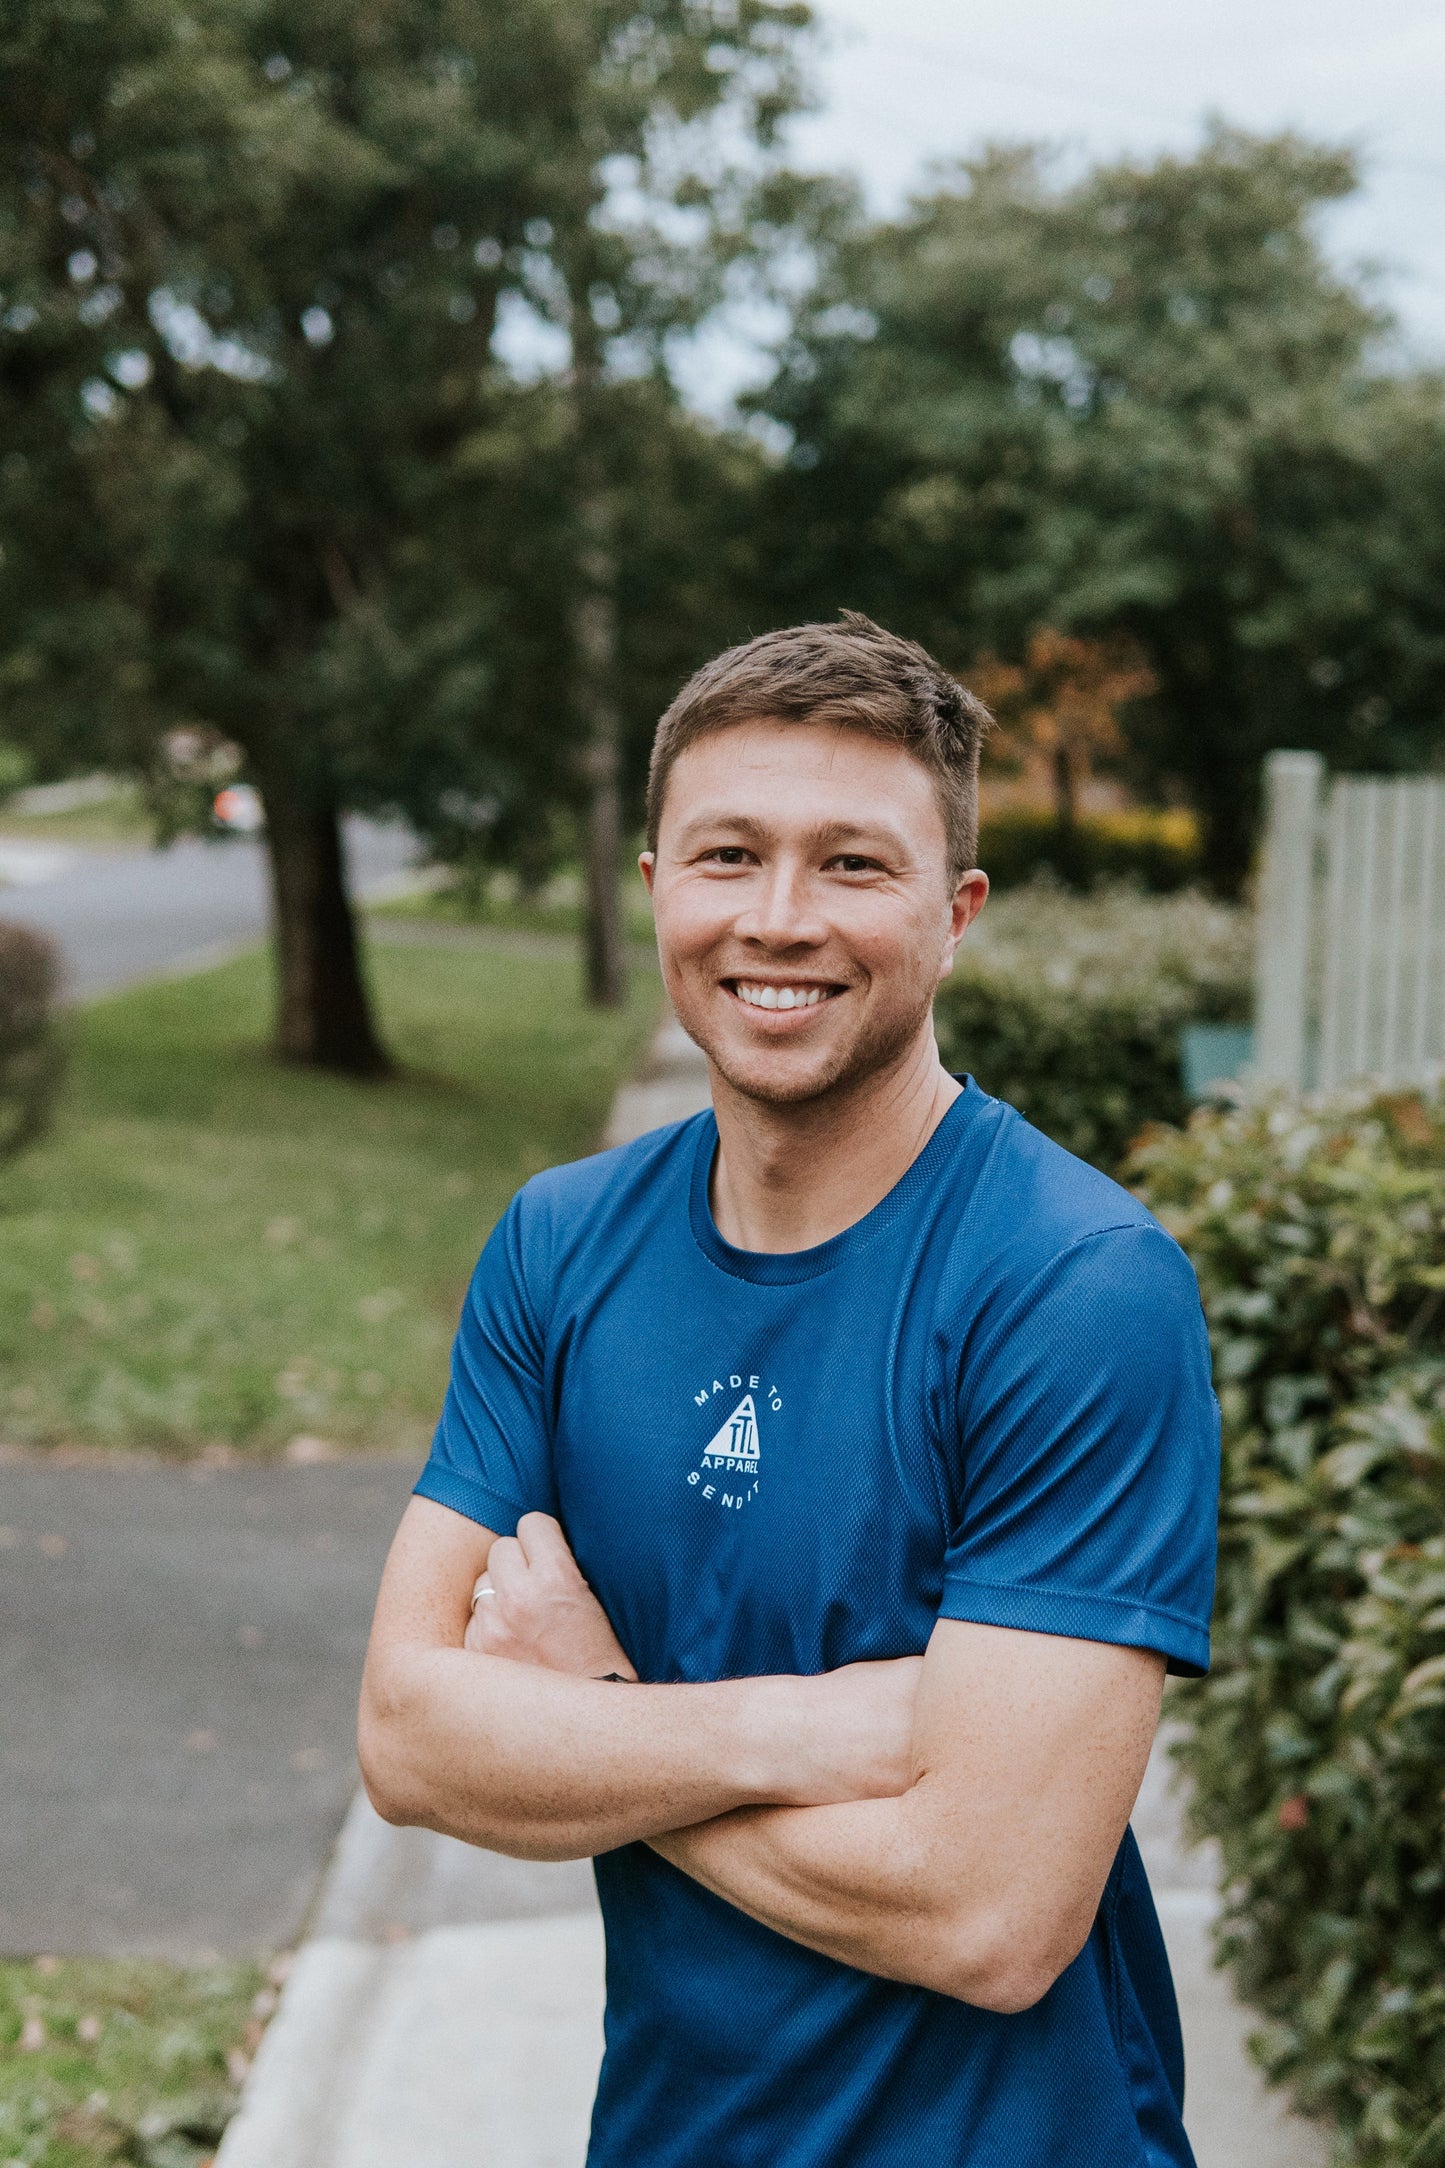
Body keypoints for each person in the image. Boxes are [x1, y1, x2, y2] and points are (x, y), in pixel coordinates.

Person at [359, 613, 1220, 2168]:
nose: (776, 918)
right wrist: (823, 1733)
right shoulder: (561, 1245)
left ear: (953, 914)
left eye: (851, 865)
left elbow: (989, 1915)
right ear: (653, 892)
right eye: (727, 855)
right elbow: (411, 1738)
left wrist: (603, 1714)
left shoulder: (1073, 1284)